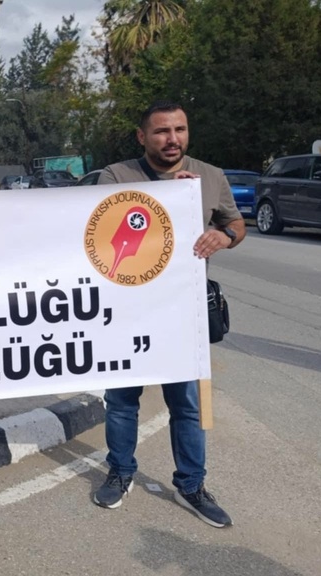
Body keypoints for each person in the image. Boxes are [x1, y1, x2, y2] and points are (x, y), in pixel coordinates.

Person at [93, 101, 245, 528]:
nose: (172, 139)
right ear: (142, 137)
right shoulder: (115, 176)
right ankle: (120, 471)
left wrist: (223, 235)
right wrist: (169, 199)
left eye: (180, 129)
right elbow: (99, 230)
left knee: (188, 405)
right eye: (161, 131)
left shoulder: (209, 176)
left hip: (182, 313)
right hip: (127, 311)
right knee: (121, 401)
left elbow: (236, 225)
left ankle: (192, 484)